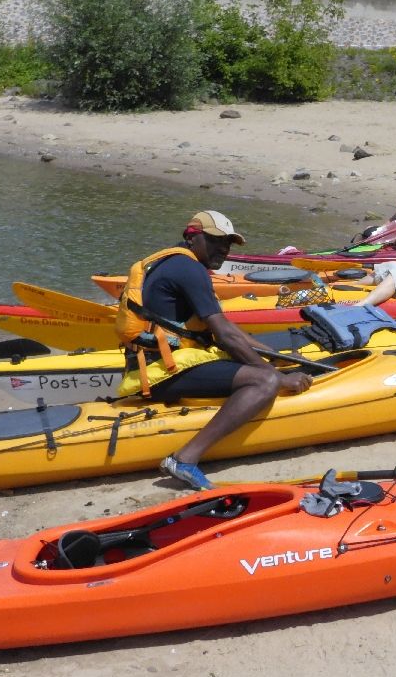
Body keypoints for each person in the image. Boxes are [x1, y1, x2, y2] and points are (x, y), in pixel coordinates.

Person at [118, 210, 312, 491]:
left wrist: (275, 356)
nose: (224, 249)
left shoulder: (177, 263)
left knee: (262, 368)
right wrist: (274, 374)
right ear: (193, 237)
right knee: (264, 381)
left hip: (159, 364)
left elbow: (225, 330)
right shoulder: (189, 269)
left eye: (228, 243)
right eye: (216, 241)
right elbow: (223, 334)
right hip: (162, 373)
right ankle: (184, 459)